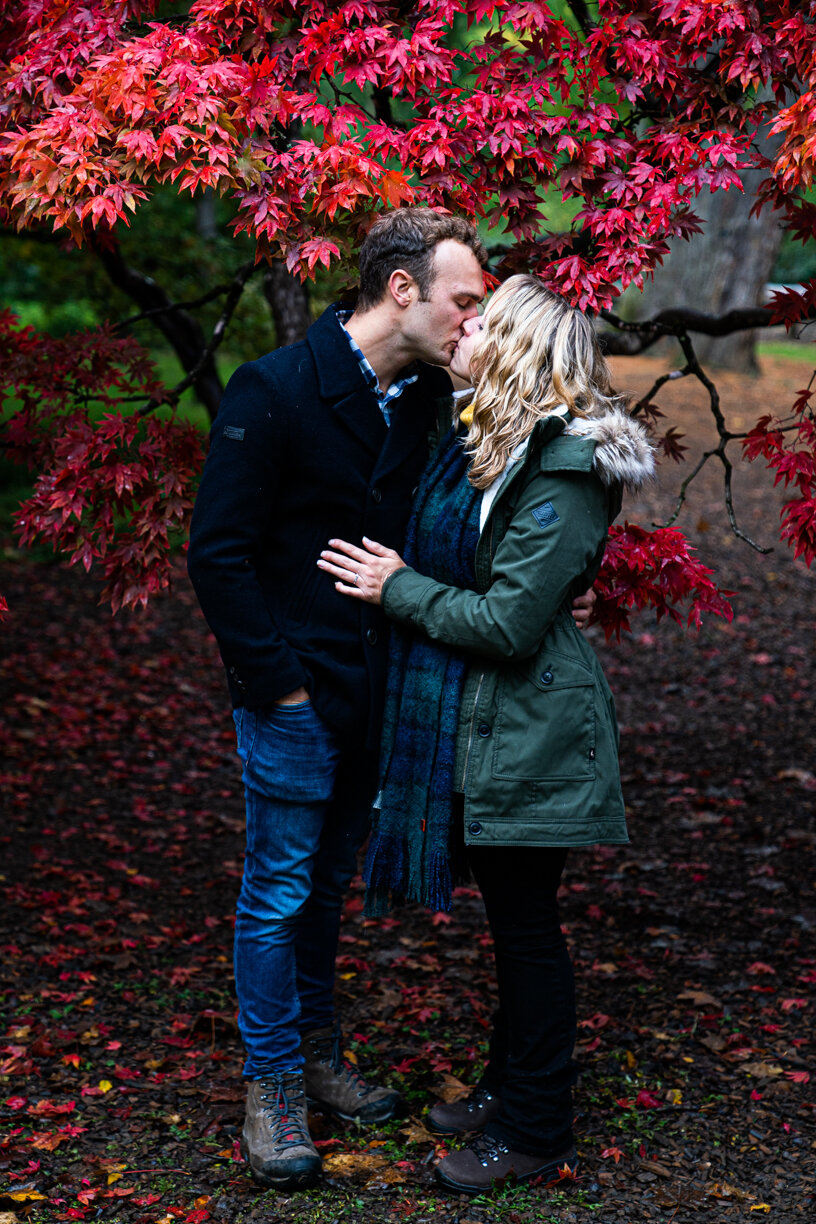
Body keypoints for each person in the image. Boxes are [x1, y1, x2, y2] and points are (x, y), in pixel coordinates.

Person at [188, 212, 594, 1192]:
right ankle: (273, 1084)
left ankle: (318, 1049)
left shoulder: (423, 403)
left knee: (325, 888)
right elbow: (218, 554)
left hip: (376, 694)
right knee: (278, 890)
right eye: (464, 299)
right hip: (292, 692)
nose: (474, 320)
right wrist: (274, 686)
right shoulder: (276, 389)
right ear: (403, 291)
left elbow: (496, 503)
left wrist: (554, 572)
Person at [317, 275, 655, 1195]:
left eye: (484, 325)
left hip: (533, 729)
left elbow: (508, 621)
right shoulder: (495, 442)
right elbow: (511, 576)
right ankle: (510, 1088)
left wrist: (397, 588)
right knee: (517, 926)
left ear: (521, 350)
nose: (464, 331)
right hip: (495, 719)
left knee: (527, 929)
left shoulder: (565, 467)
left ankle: (535, 1126)